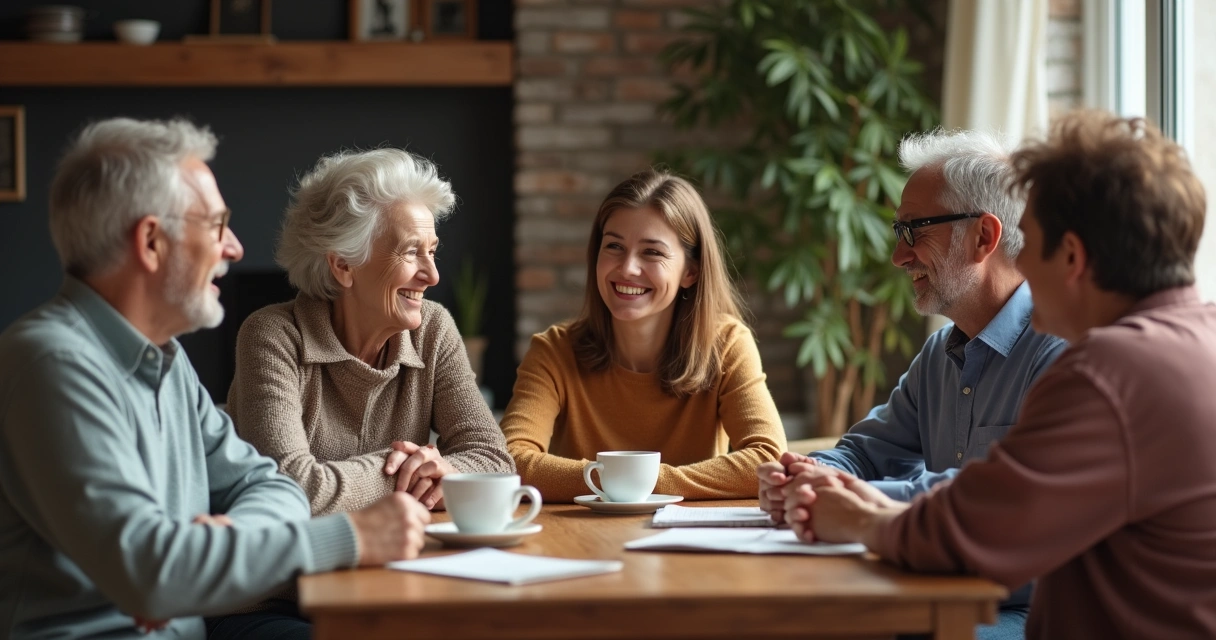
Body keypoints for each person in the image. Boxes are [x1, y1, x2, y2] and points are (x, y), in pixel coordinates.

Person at [786, 110, 1216, 639]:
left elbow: (981, 523)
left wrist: (854, 517)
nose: (1020, 266)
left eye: (1028, 242)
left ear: (1072, 256)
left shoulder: (1108, 373)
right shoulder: (1195, 340)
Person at [0, 118, 430, 639]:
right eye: (216, 224)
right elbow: (152, 573)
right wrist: (350, 537)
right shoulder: (51, 364)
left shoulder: (167, 361)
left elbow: (271, 486)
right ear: (151, 241)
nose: (234, 248)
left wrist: (210, 544)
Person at [757, 129, 1068, 639]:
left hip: (1031, 614)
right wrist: (809, 474)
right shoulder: (939, 353)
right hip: (937, 592)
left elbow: (997, 498)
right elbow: (863, 453)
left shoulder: (1063, 354)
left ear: (984, 238)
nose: (899, 257)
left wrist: (845, 498)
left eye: (915, 231)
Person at [227, 148, 513, 520]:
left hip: (402, 543)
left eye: (432, 252)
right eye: (411, 252)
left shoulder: (433, 329)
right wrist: (405, 470)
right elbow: (291, 489)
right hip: (306, 553)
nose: (432, 276)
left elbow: (495, 459)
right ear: (344, 265)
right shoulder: (274, 336)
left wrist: (449, 471)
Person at [501, 169, 786, 502]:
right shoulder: (554, 350)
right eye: (614, 246)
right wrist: (634, 483)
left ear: (690, 271)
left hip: (688, 533)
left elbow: (768, 459)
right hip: (580, 531)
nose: (627, 268)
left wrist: (638, 483)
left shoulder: (727, 344)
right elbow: (508, 461)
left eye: (652, 252)